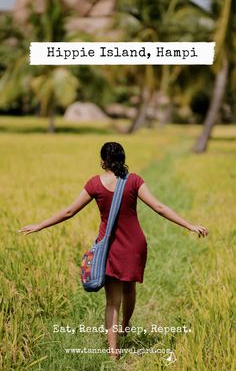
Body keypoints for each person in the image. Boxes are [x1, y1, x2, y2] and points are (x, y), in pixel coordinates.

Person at [18, 141, 208, 360]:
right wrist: (190, 225)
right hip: (134, 244)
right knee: (130, 289)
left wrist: (39, 225)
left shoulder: (95, 184)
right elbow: (159, 207)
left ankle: (112, 353)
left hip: (110, 246)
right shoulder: (134, 180)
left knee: (112, 301)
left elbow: (69, 211)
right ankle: (126, 326)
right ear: (123, 158)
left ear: (103, 160)